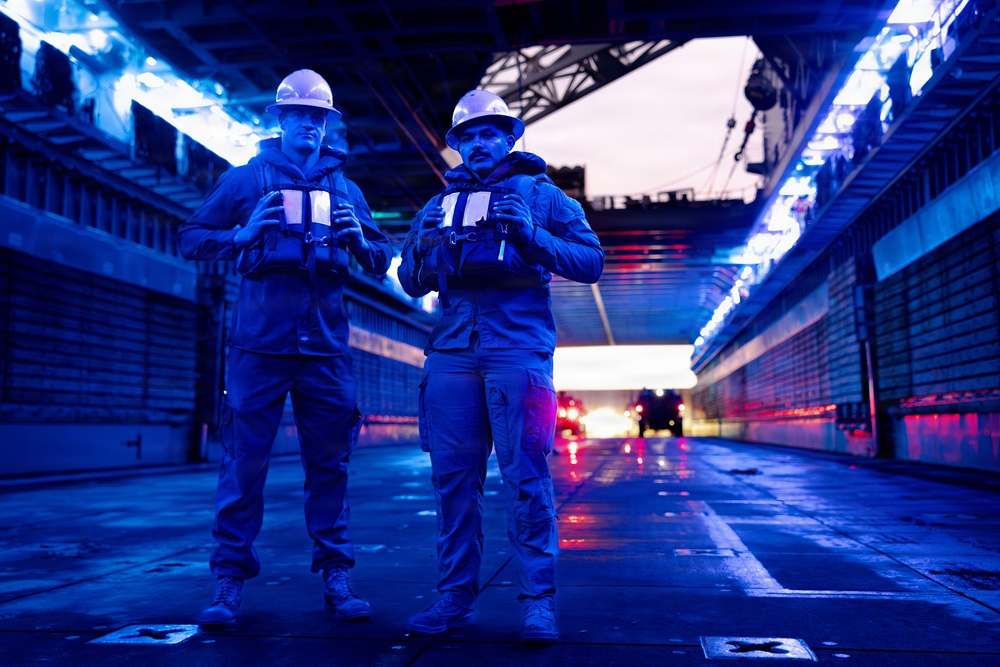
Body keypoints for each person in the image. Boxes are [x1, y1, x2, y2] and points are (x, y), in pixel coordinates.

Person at [177, 69, 393, 629]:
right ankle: (228, 583)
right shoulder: (245, 181)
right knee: (243, 466)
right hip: (259, 347)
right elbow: (190, 237)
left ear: (326, 125)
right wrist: (240, 236)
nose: (309, 125)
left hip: (325, 349)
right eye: (299, 115)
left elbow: (381, 256)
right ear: (279, 119)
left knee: (331, 466)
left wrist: (361, 240)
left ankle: (336, 577)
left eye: (318, 117)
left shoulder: (347, 190)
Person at [397, 89, 603, 644]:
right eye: (469, 136)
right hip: (451, 355)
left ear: (510, 139)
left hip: (518, 352)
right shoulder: (436, 206)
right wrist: (420, 247)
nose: (480, 142)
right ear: (459, 146)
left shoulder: (543, 195)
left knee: (526, 478)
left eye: (491, 133)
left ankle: (538, 601)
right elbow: (409, 282)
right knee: (453, 482)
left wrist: (532, 235)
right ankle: (454, 598)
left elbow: (591, 261)